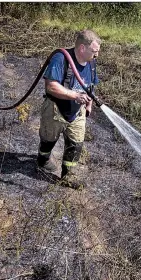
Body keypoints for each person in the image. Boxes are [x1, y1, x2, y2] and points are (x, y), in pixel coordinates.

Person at [37, 29, 101, 189]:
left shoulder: (92, 63)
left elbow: (91, 84)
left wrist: (89, 103)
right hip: (55, 109)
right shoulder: (61, 59)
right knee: (48, 139)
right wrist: (74, 95)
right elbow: (51, 86)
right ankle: (43, 159)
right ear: (82, 48)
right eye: (94, 51)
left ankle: (67, 176)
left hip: (77, 111)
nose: (97, 55)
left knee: (76, 143)